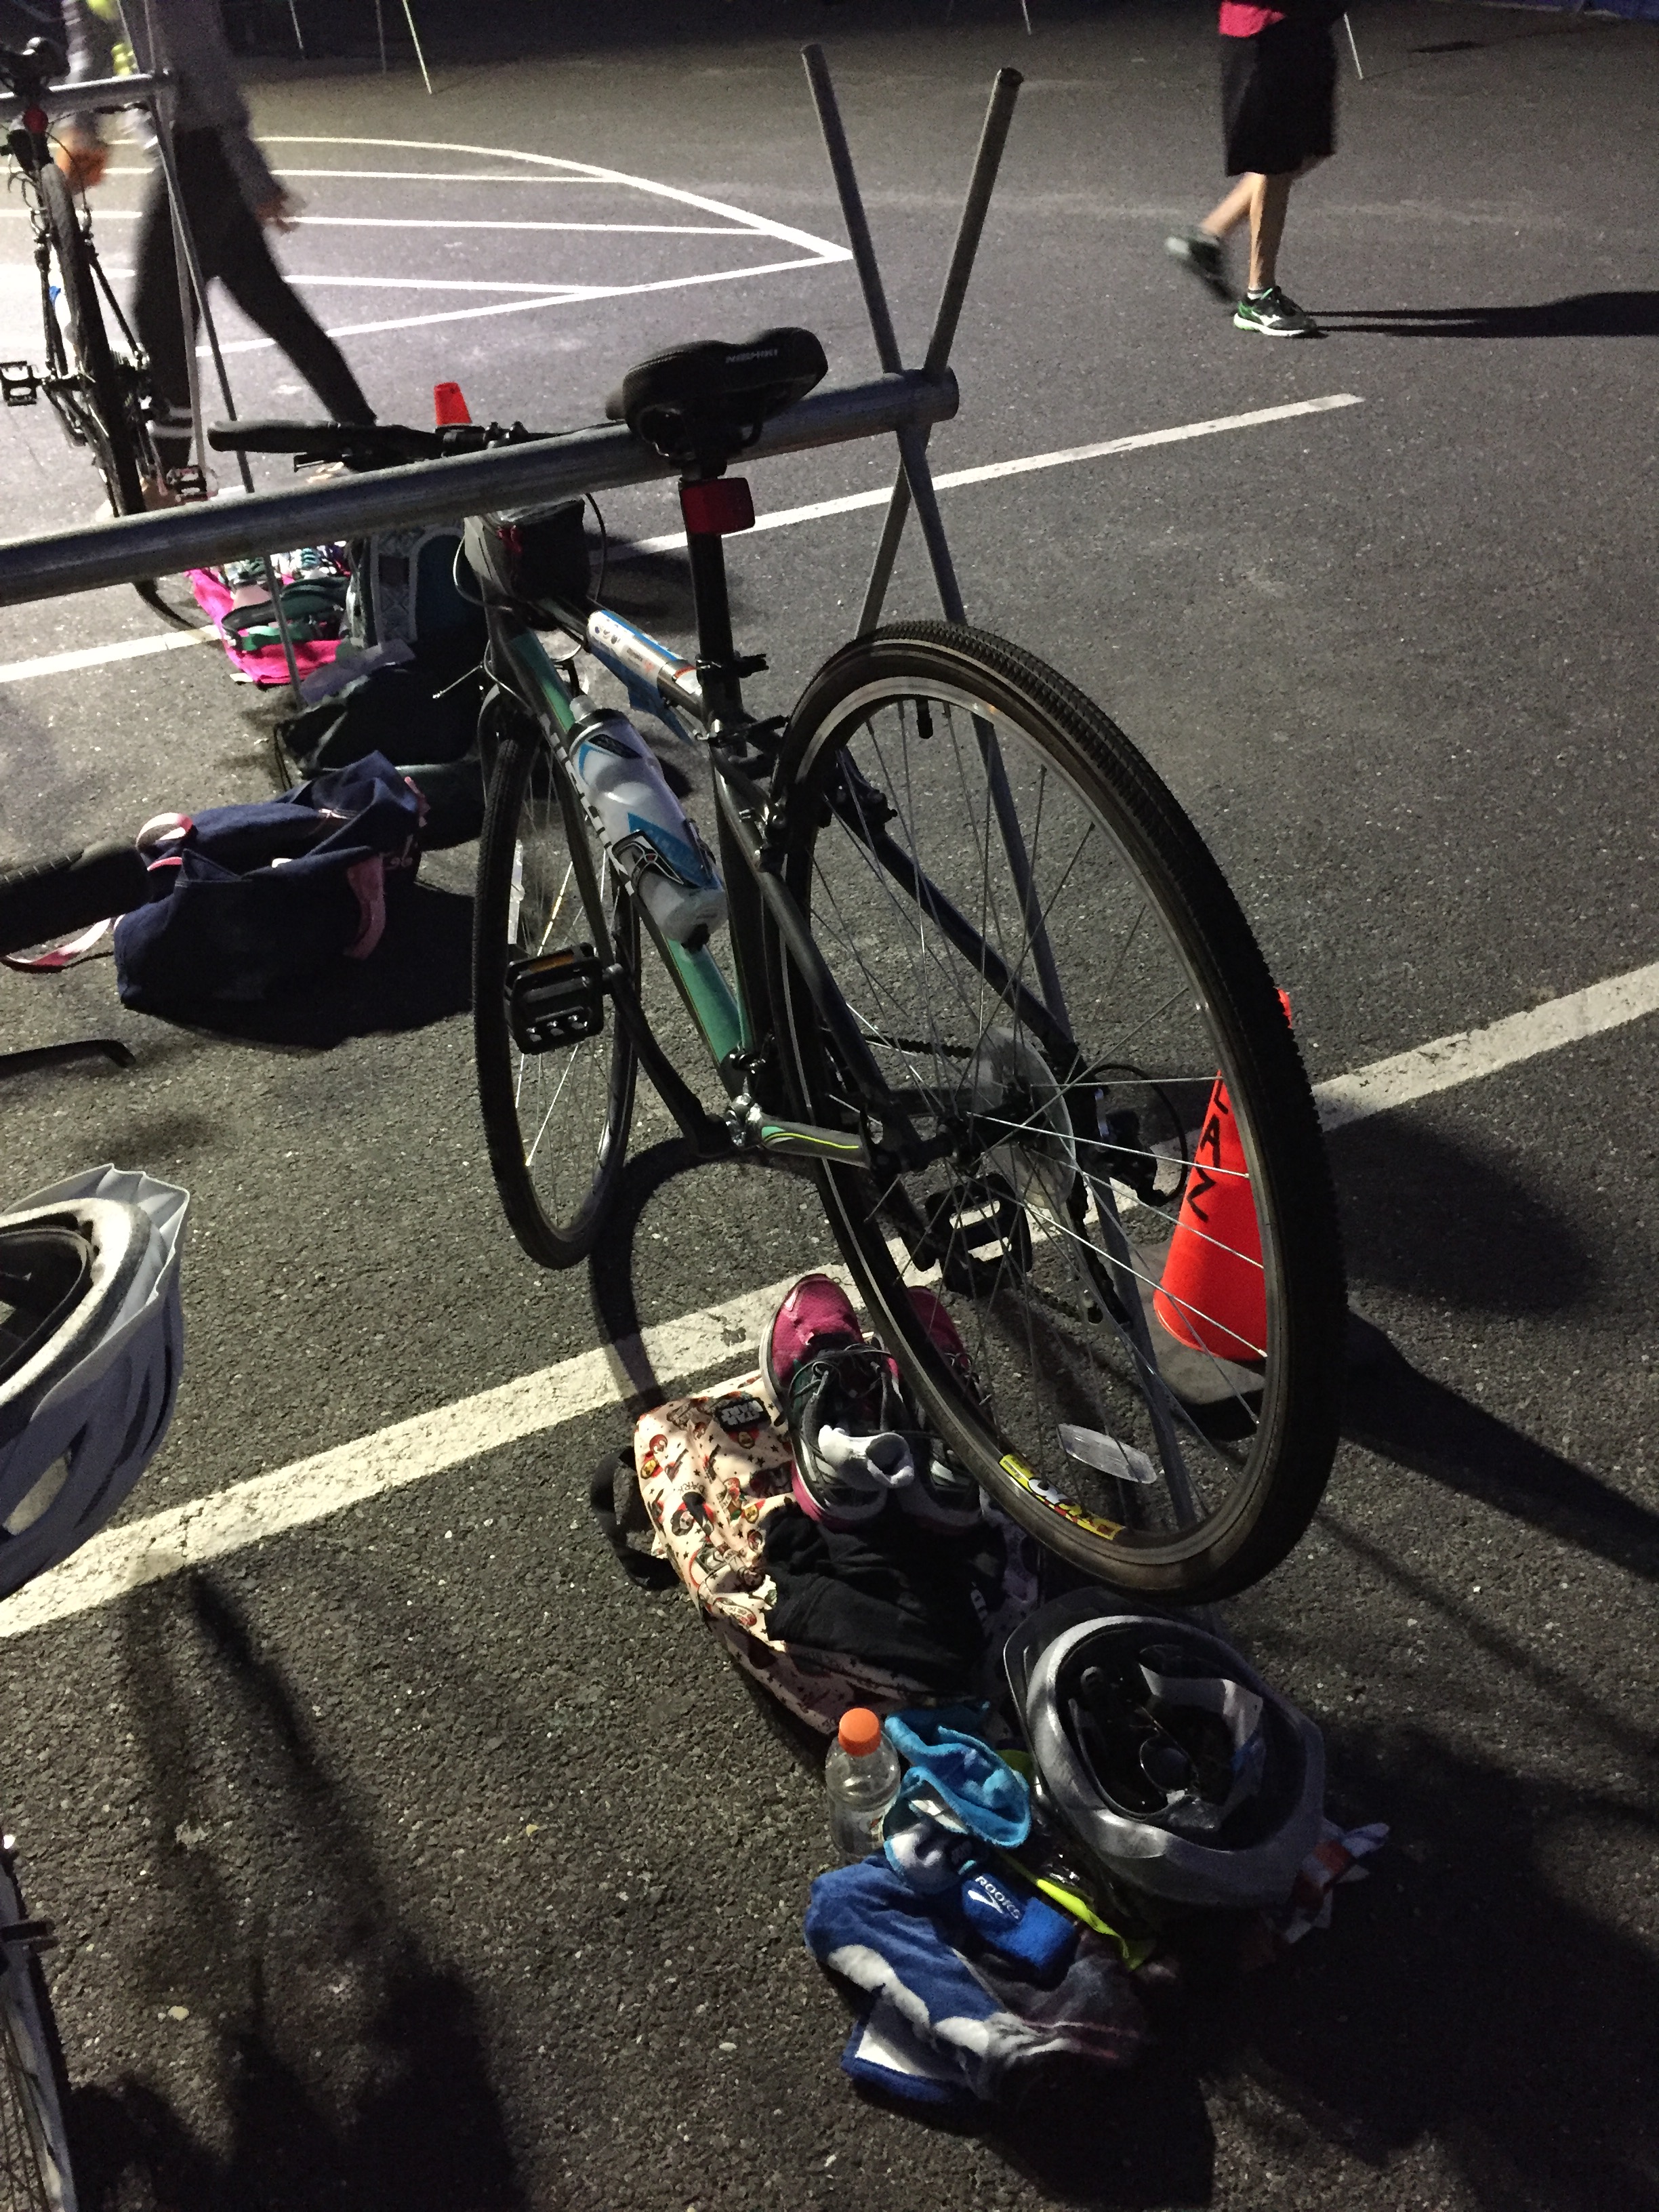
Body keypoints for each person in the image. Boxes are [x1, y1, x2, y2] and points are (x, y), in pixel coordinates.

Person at [56, 0, 374, 499]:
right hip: (180, 147)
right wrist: (82, 127)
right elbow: (91, 42)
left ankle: (169, 478)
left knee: (161, 316)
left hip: (201, 148)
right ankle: (368, 444)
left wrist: (247, 166)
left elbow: (203, 59)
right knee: (267, 301)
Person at [1165, 0, 1343, 338]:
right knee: (1275, 162)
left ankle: (1208, 237)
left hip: (1307, 27)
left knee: (1311, 150)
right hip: (1266, 30)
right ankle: (1258, 297)